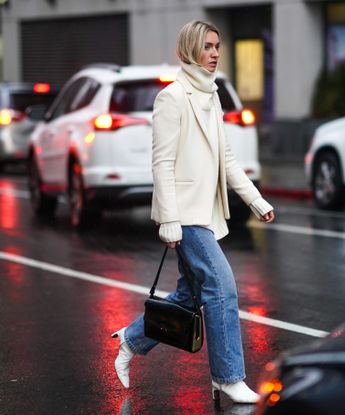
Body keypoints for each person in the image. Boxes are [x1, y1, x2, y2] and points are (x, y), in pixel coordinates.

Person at [112, 20, 275, 404]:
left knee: (189, 296)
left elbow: (227, 158)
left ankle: (131, 340)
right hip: (185, 216)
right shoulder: (173, 98)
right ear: (188, 51)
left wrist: (256, 200)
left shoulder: (211, 96)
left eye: (217, 46)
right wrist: (169, 219)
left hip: (207, 211)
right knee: (221, 287)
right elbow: (162, 163)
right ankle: (228, 377)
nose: (215, 53)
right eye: (207, 47)